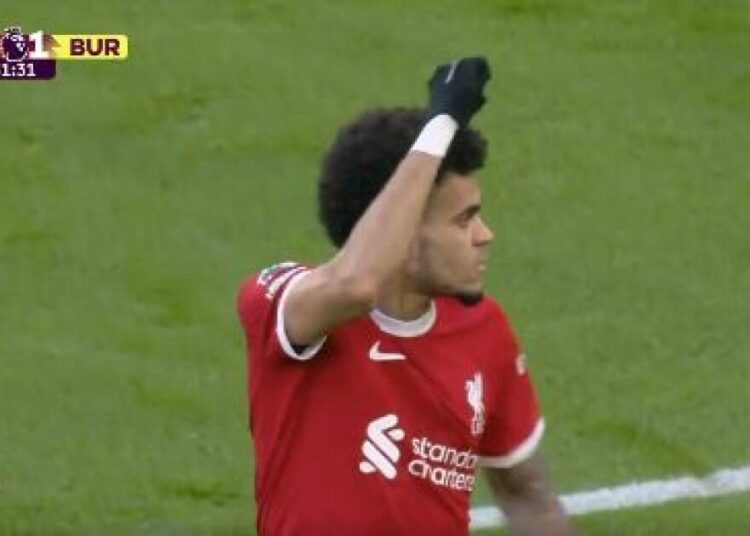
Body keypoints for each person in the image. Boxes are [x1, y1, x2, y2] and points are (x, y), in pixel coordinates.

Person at [237, 56, 572, 535]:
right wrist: (440, 124)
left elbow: (529, 498)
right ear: (403, 233)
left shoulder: (486, 331)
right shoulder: (282, 301)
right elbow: (356, 284)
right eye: (463, 220)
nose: (485, 235)